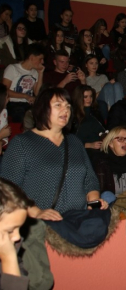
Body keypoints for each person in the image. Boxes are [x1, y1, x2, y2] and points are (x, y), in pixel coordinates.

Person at [0, 88, 108, 220]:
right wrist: (35, 212)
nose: (66, 110)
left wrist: (94, 201)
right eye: (58, 105)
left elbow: (90, 179)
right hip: (40, 225)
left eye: (68, 106)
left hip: (78, 221)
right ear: (42, 108)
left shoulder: (74, 142)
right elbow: (7, 188)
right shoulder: (23, 143)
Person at [93, 126, 126, 202]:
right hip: (112, 204)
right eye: (120, 139)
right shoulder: (102, 162)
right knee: (107, 195)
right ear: (110, 143)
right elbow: (100, 191)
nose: (125, 142)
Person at [0, 178, 34, 288]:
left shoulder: (11, 247)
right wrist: (8, 259)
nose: (17, 237)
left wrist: (9, 258)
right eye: (10, 231)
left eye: (20, 228)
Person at [3, 43, 44, 123]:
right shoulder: (13, 68)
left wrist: (40, 73)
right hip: (13, 102)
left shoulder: (35, 72)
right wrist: (25, 96)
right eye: (40, 59)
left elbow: (37, 92)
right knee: (23, 116)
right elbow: (5, 90)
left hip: (28, 104)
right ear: (31, 58)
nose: (42, 62)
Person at [71, 85, 106, 161]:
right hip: (84, 150)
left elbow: (103, 130)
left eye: (91, 96)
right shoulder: (73, 116)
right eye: (85, 97)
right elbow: (70, 141)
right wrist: (89, 145)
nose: (89, 99)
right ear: (79, 98)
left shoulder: (95, 113)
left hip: (101, 146)